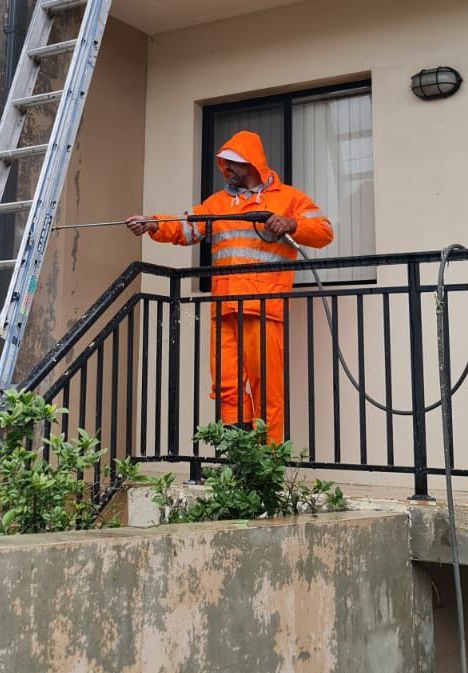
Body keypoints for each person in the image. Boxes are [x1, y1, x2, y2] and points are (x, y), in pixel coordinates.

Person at [126, 130, 333, 444]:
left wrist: (292, 224)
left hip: (263, 306)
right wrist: (154, 223)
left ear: (251, 164)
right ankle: (239, 458)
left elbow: (324, 231)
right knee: (226, 385)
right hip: (224, 307)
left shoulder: (288, 198)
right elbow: (186, 226)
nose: (227, 170)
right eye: (225, 165)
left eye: (232, 165)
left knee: (267, 388)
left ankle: (269, 461)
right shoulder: (218, 203)